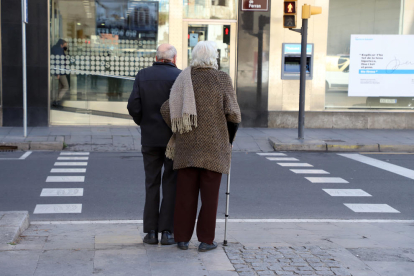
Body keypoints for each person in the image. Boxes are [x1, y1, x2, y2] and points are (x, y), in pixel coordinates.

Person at [160, 41, 241, 252]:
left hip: (187, 146)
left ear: (193, 56)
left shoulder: (184, 78)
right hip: (215, 147)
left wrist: (180, 127)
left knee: (185, 196)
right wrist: (230, 137)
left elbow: (167, 109)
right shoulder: (221, 78)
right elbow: (233, 113)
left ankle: (182, 239)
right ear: (214, 57)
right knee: (210, 198)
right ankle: (206, 240)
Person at [127, 44, 181, 245]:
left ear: (157, 57)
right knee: (170, 184)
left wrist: (144, 122)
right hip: (173, 139)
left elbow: (133, 105)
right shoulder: (180, 76)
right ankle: (167, 232)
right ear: (174, 59)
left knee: (151, 183)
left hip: (149, 138)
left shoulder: (143, 75)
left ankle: (150, 232)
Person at [51, 39, 69, 106]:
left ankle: (56, 100)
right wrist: (57, 73)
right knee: (66, 86)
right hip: (61, 72)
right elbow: (58, 62)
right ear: (61, 45)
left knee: (61, 86)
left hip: (61, 71)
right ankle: (57, 99)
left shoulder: (56, 49)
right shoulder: (59, 50)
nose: (65, 47)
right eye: (65, 45)